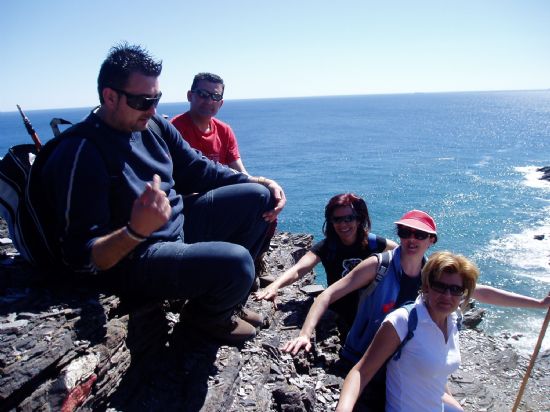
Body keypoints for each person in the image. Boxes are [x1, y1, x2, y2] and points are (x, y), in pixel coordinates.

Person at [41, 43, 286, 345]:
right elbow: (81, 257)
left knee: (258, 198)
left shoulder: (153, 125)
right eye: (143, 100)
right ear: (110, 96)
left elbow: (199, 169)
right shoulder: (81, 152)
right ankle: (208, 319)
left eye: (155, 98)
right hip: (137, 257)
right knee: (235, 263)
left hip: (175, 228)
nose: (153, 109)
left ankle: (221, 302)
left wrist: (261, 181)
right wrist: (135, 230)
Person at [282, 209, 550, 410]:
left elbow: (480, 291)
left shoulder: (435, 278)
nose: (411, 239)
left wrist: (538, 304)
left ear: (431, 240)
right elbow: (329, 293)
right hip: (366, 356)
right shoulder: (380, 266)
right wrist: (306, 334)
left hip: (406, 357)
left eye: (419, 234)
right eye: (405, 232)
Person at [336, 251, 479, 412]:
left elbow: (436, 375)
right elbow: (361, 372)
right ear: (426, 286)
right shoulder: (403, 321)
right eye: (440, 286)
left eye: (455, 289)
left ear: (463, 294)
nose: (447, 296)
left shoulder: (453, 320)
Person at [254, 193, 397, 333]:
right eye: (337, 219)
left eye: (349, 218)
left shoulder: (374, 244)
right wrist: (275, 286)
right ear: (331, 221)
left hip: (371, 310)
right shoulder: (328, 247)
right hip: (339, 310)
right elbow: (299, 269)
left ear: (359, 219)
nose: (343, 224)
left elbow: (401, 256)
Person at [170, 72, 247, 174]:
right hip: (187, 189)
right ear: (190, 96)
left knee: (262, 190)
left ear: (221, 103)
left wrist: (263, 182)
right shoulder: (174, 129)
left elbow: (241, 172)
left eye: (216, 96)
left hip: (220, 188)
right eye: (203, 94)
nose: (209, 101)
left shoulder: (224, 131)